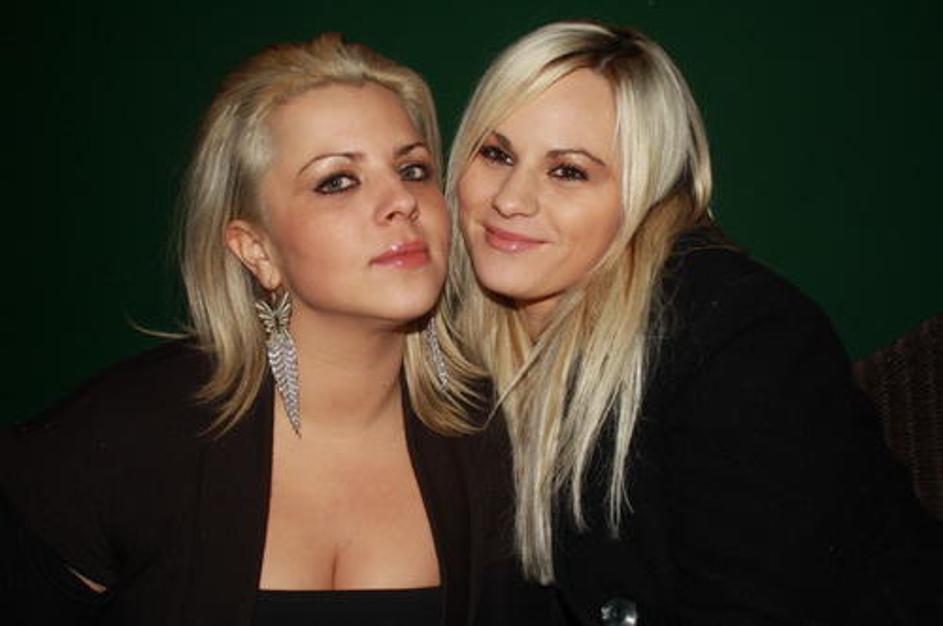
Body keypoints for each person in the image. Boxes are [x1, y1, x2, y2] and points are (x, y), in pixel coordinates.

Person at [441, 20, 943, 625]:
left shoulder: (743, 338)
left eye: (568, 171)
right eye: (496, 154)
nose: (510, 199)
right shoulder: (456, 339)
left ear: (646, 196)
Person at [0, 33, 491, 625]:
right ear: (257, 249)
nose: (402, 202)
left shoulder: (507, 441)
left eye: (413, 169)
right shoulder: (121, 440)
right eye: (337, 181)